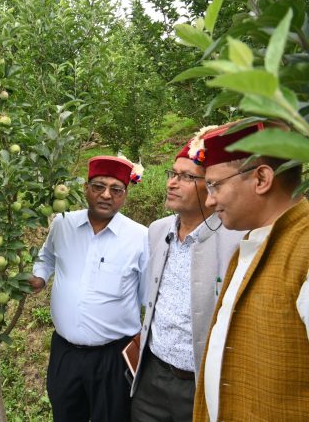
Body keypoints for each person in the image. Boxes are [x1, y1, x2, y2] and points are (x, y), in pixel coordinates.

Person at [190, 120, 309, 421]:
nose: (209, 200)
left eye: (215, 185)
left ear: (261, 179)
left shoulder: (304, 249)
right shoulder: (254, 242)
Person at [130, 132, 243, 421]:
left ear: (212, 186)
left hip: (200, 383)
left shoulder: (234, 239)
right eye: (172, 174)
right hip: (151, 374)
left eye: (186, 177)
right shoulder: (158, 230)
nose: (172, 183)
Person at [29, 155, 149, 422]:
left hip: (113, 358)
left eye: (116, 189)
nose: (106, 195)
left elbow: (149, 299)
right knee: (65, 414)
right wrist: (40, 277)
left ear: (125, 195)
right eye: (98, 186)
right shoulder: (62, 224)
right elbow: (46, 257)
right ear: (85, 188)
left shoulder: (140, 237)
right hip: (65, 353)